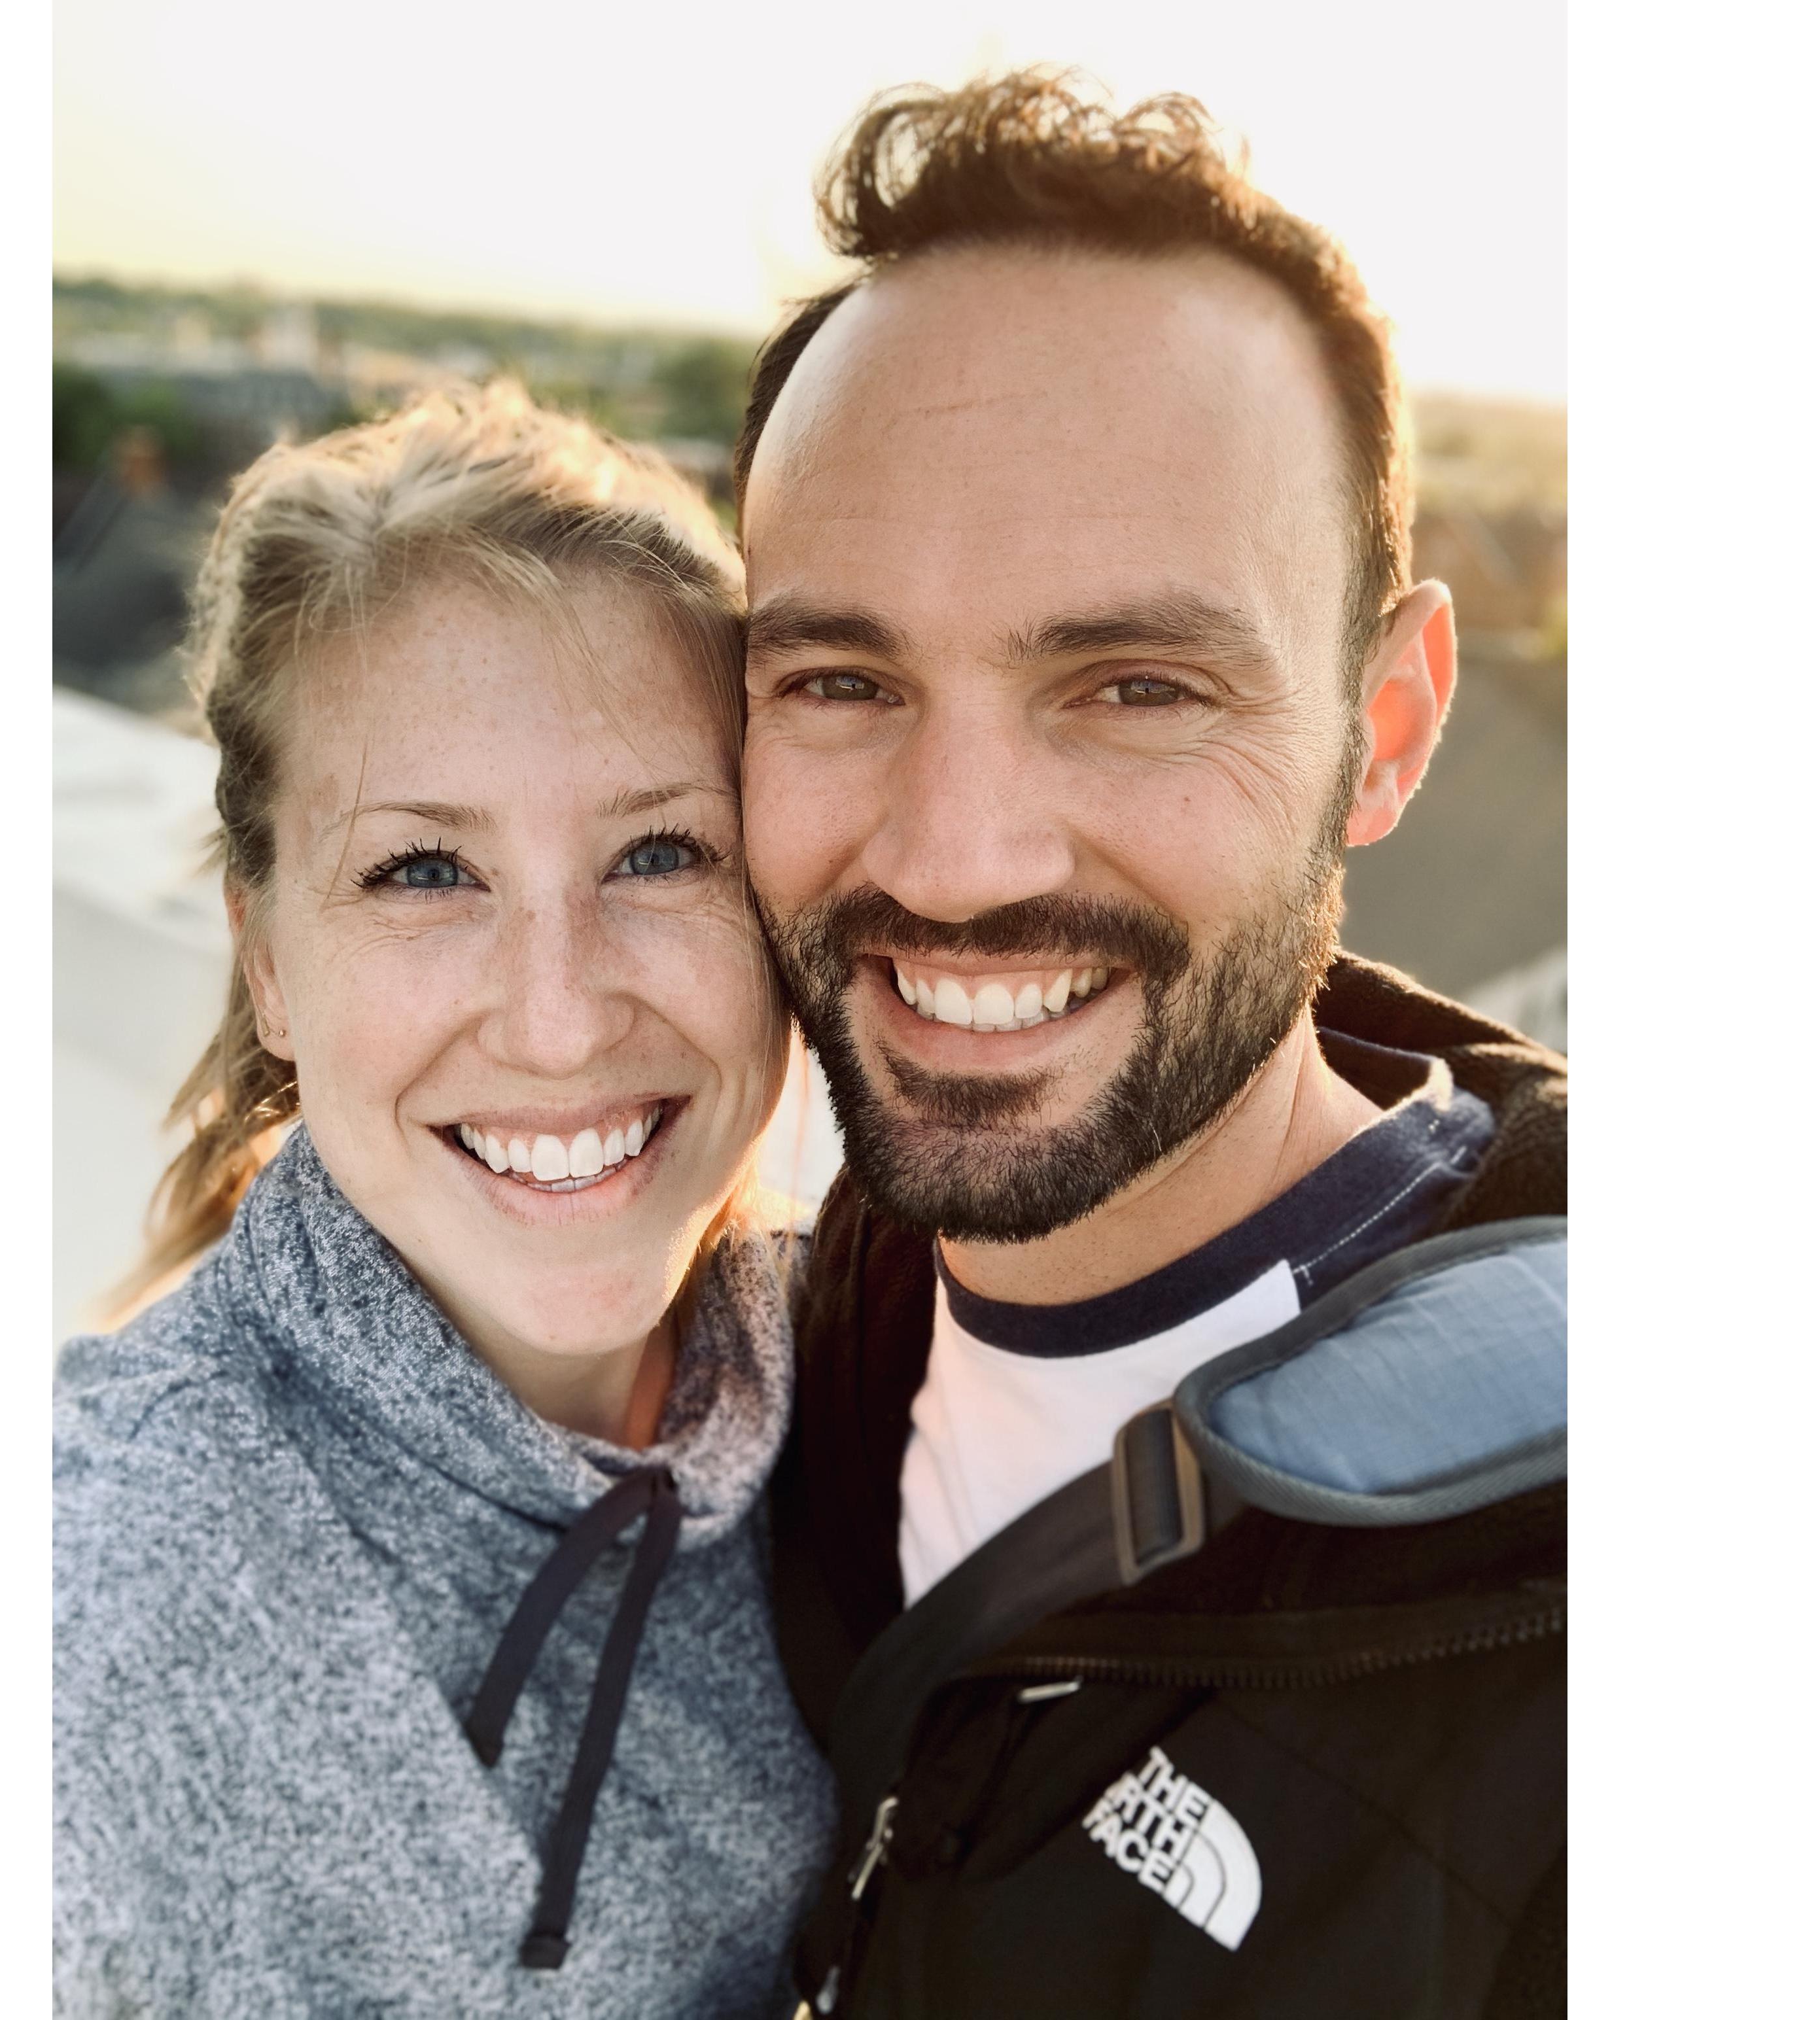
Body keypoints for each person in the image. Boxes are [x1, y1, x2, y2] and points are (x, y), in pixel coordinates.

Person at [735, 75, 1567, 2017]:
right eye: (843, 678)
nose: (953, 859)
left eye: (1132, 685)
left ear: (1388, 726)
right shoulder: (776, 1339)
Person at [52, 382, 836, 2017]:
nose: (557, 1016)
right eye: (423, 870)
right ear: (269, 960)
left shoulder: (890, 1390)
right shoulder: (92, 1614)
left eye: (660, 854)